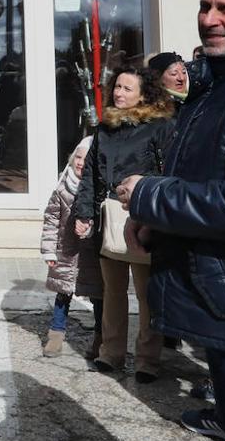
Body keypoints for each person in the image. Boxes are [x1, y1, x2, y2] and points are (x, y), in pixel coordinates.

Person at [118, 0, 225, 441]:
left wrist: (147, 194)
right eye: (204, 5)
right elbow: (202, 176)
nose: (209, 19)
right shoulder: (215, 84)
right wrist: (157, 224)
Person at [72, 67, 174, 382]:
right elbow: (90, 174)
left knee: (147, 294)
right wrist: (83, 212)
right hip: (110, 219)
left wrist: (154, 214)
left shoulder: (160, 127)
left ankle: (147, 361)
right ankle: (111, 354)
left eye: (127, 89)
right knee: (112, 291)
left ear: (143, 95)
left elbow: (169, 172)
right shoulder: (105, 129)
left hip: (144, 219)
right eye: (117, 87)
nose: (119, 93)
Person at [40, 136, 104, 357]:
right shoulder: (62, 188)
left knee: (97, 296)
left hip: (91, 255)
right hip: (66, 251)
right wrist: (49, 249)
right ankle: (56, 335)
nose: (80, 162)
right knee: (63, 294)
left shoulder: (98, 189)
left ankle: (100, 338)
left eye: (85, 159)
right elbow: (51, 220)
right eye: (77, 157)